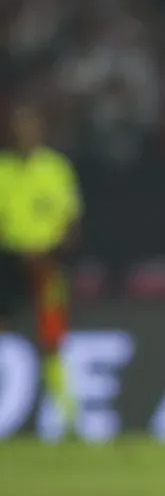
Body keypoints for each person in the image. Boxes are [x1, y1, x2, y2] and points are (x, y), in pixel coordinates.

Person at [0, 103, 81, 426]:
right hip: (7, 261)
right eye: (19, 126)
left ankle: (67, 414)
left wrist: (52, 252)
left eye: (30, 126)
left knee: (52, 335)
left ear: (41, 131)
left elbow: (71, 220)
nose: (24, 132)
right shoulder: (3, 170)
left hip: (48, 262)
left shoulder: (55, 168)